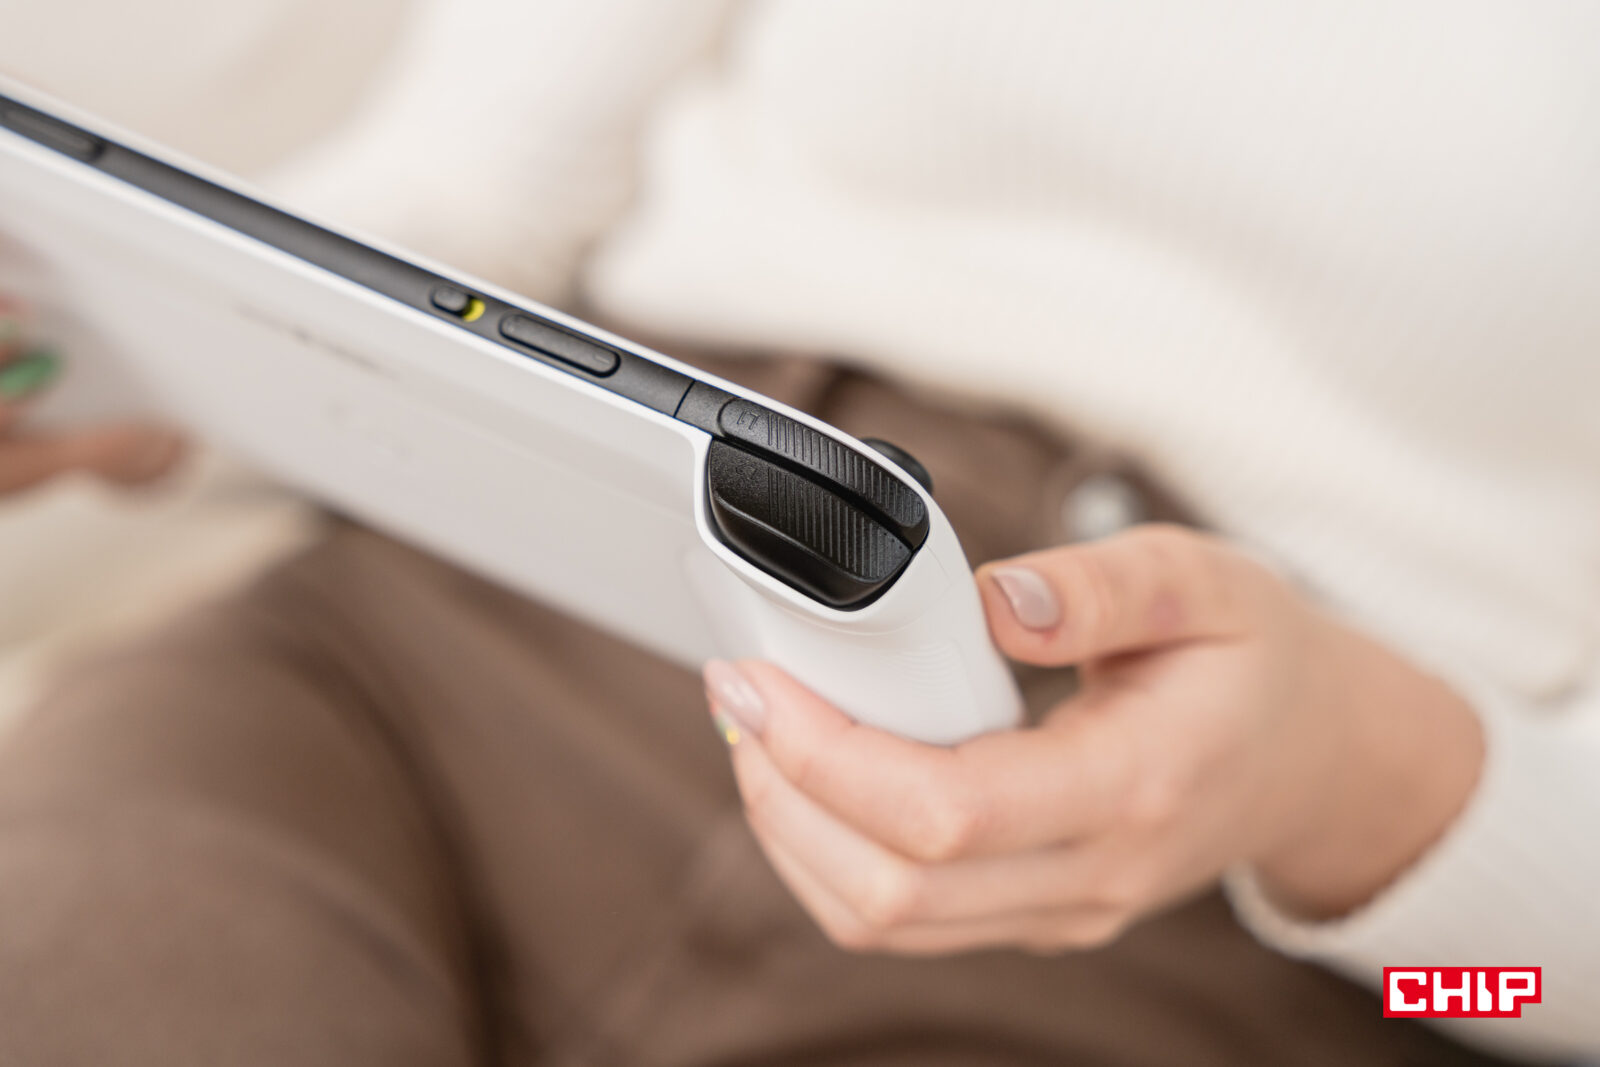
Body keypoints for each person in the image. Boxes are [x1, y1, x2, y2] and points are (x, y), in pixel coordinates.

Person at [2, 2, 1596, 1063]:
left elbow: (1545, 991)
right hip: (484, 629)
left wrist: (1352, 770)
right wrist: (150, 355)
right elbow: (468, 190)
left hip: (1216, 918)